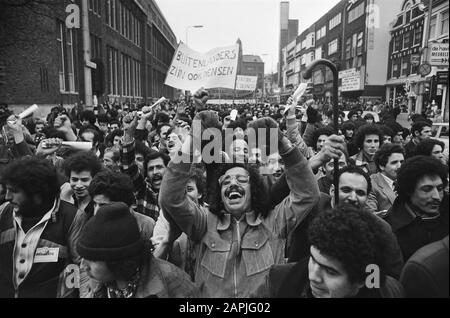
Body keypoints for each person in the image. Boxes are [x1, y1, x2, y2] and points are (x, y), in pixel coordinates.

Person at [159, 113, 320, 297]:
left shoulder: (273, 221)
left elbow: (308, 194)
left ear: (254, 189)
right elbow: (170, 198)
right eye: (226, 181)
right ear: (219, 193)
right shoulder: (203, 223)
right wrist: (193, 140)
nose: (233, 183)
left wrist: (282, 142)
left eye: (242, 179)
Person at [265, 205, 404, 298]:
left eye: (330, 272)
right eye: (313, 259)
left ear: (360, 280)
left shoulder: (388, 291)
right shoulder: (278, 280)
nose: (313, 276)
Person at [0, 157, 84, 297]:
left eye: (14, 191)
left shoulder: (71, 217)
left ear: (36, 192)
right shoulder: (4, 212)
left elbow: (83, 267)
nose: (7, 197)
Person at [77, 202, 198, 298]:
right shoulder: (100, 284)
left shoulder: (174, 283)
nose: (84, 265)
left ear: (115, 261)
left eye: (92, 259)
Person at [385, 156, 448, 261]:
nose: (436, 196)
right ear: (409, 191)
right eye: (427, 189)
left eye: (440, 188)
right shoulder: (389, 228)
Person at [120, 113, 170, 221]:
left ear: (168, 169)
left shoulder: (177, 189)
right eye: (151, 169)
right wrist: (128, 133)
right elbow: (128, 167)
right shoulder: (142, 190)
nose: (155, 172)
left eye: (159, 167)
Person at [60, 151, 103, 218]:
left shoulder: (100, 205)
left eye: (84, 180)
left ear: (94, 179)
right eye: (74, 179)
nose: (78, 185)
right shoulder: (63, 199)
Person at [365, 143, 404, 216]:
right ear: (381, 166)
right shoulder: (371, 183)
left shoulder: (406, 180)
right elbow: (371, 215)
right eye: (394, 162)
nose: (400, 166)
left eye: (402, 162)